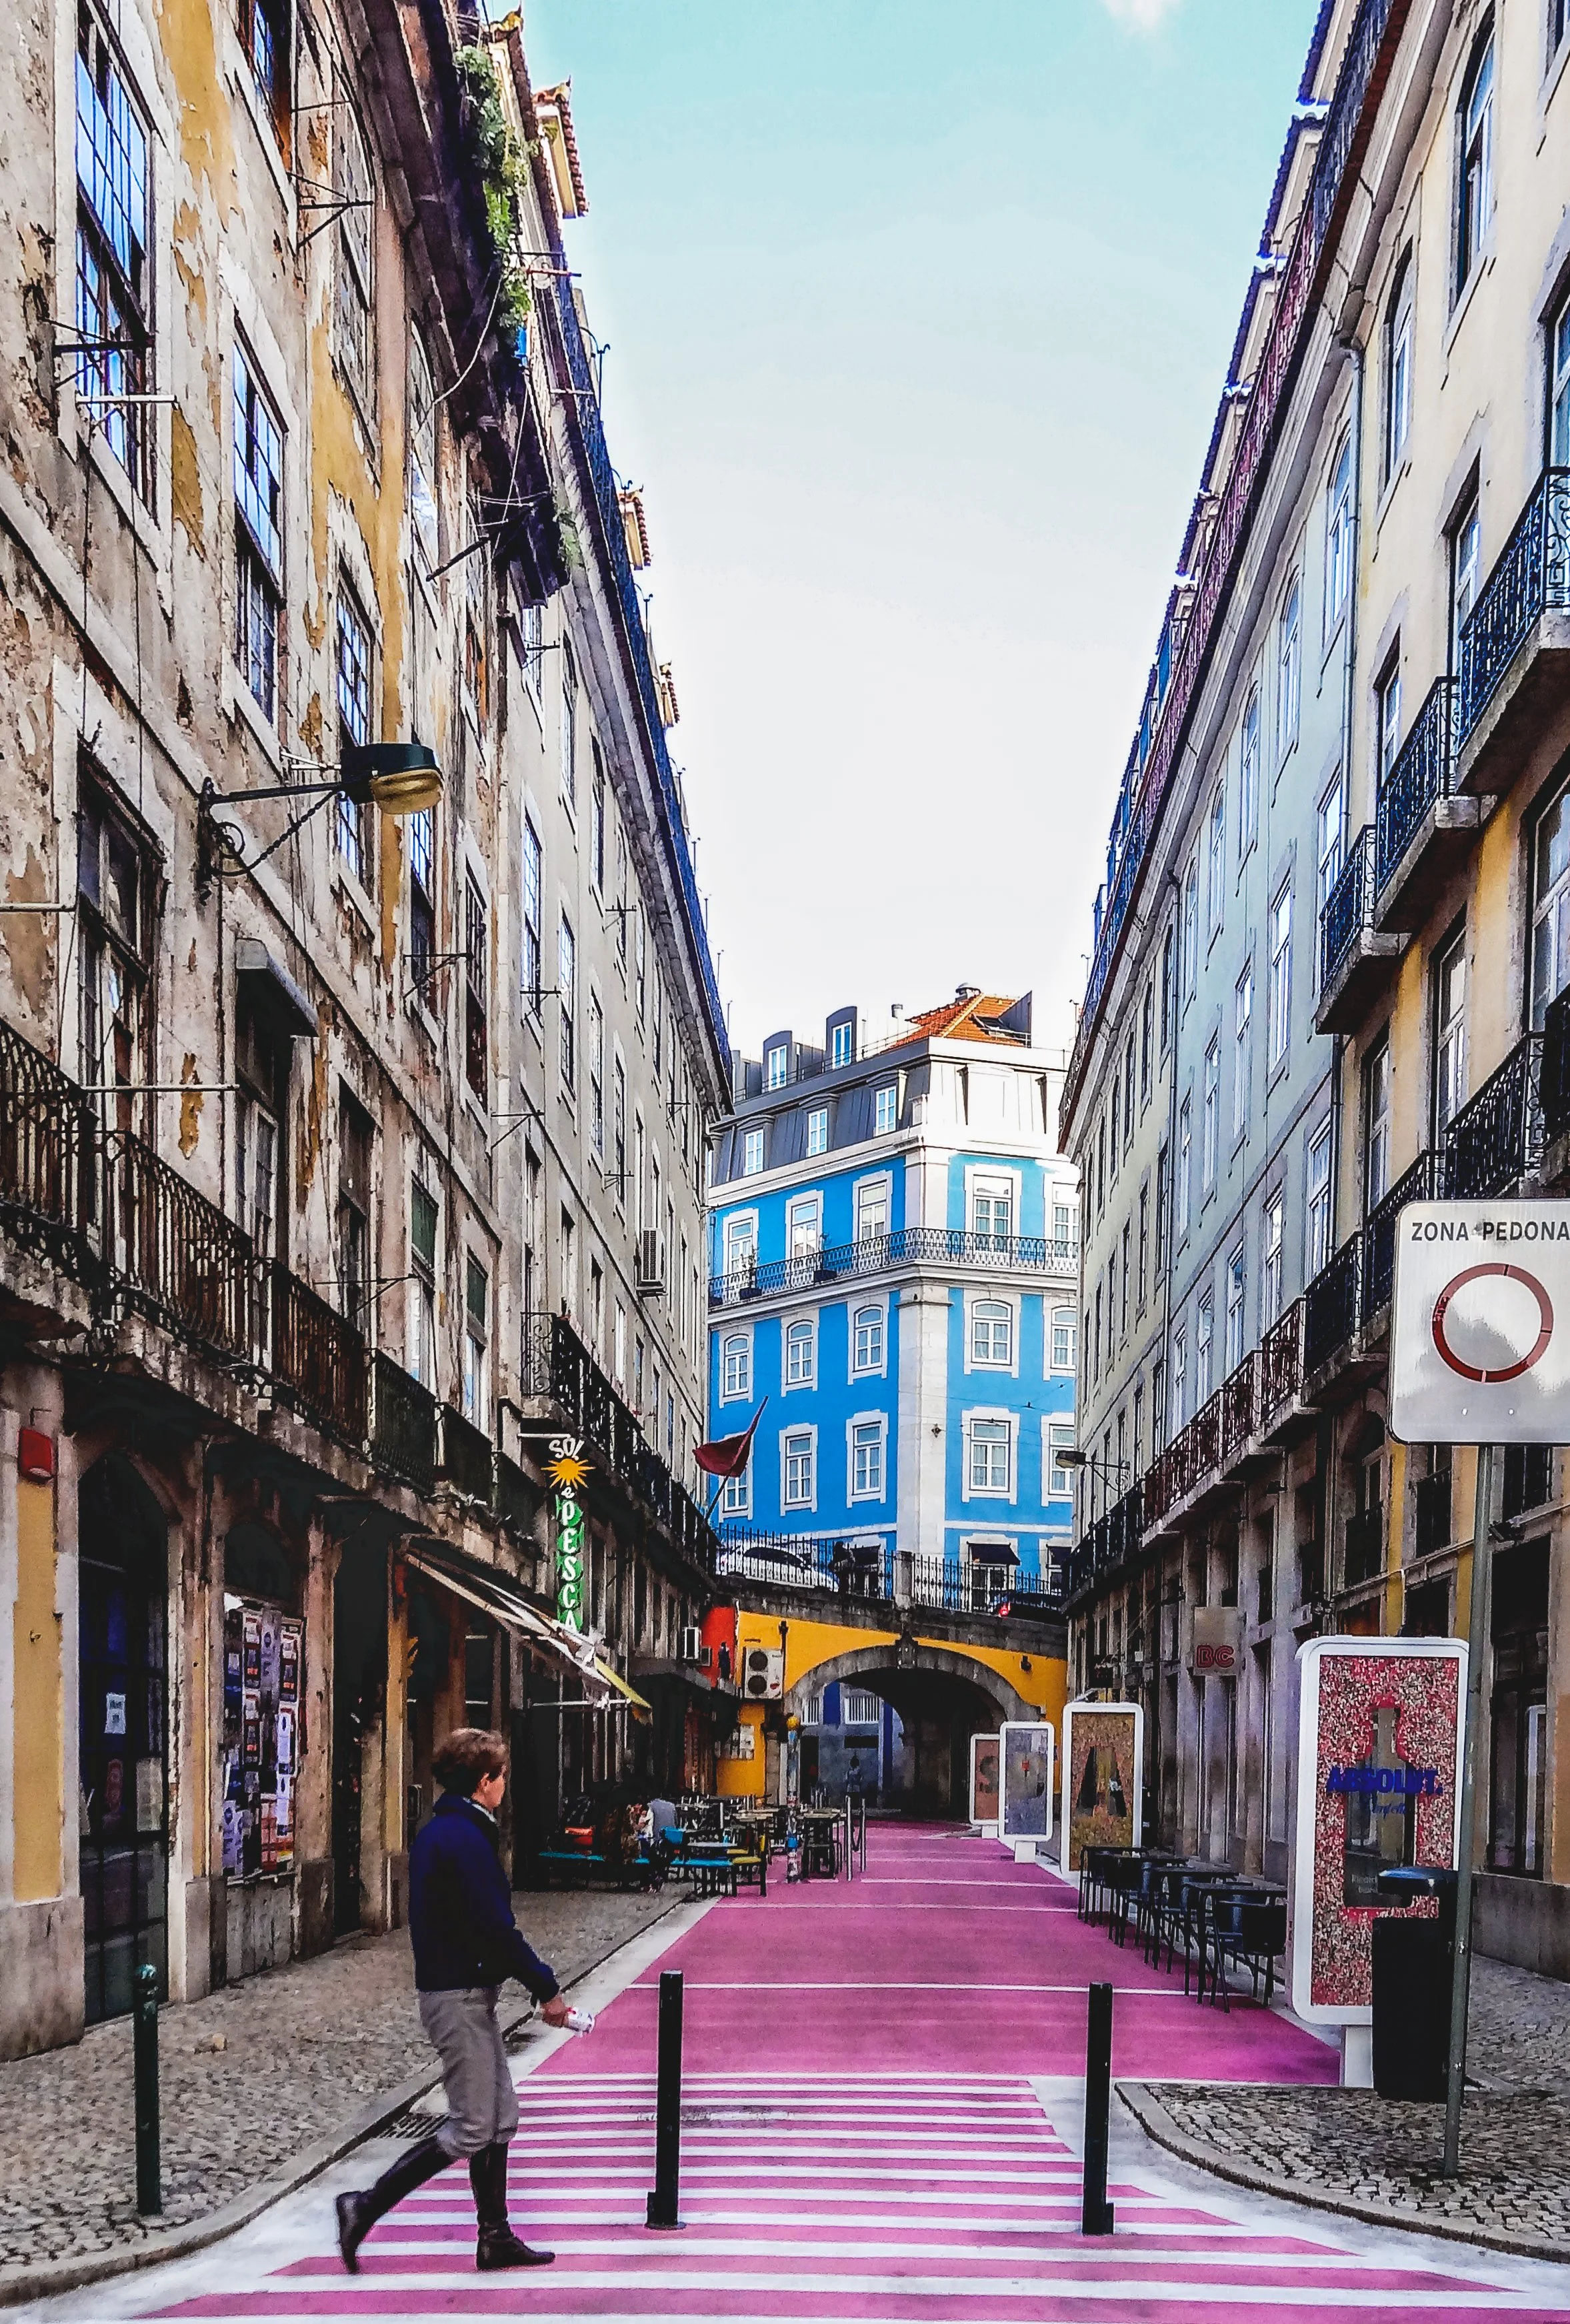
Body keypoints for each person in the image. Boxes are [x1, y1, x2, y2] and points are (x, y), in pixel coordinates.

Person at [335, 1727, 571, 2274]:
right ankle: (363, 2206)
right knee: (472, 2126)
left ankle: (495, 2236)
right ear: (485, 1781)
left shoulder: (457, 1830)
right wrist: (546, 1987)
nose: (506, 1785)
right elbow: (494, 1926)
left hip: (468, 1991)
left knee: (499, 2117)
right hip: (455, 1995)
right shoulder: (461, 1839)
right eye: (502, 1776)